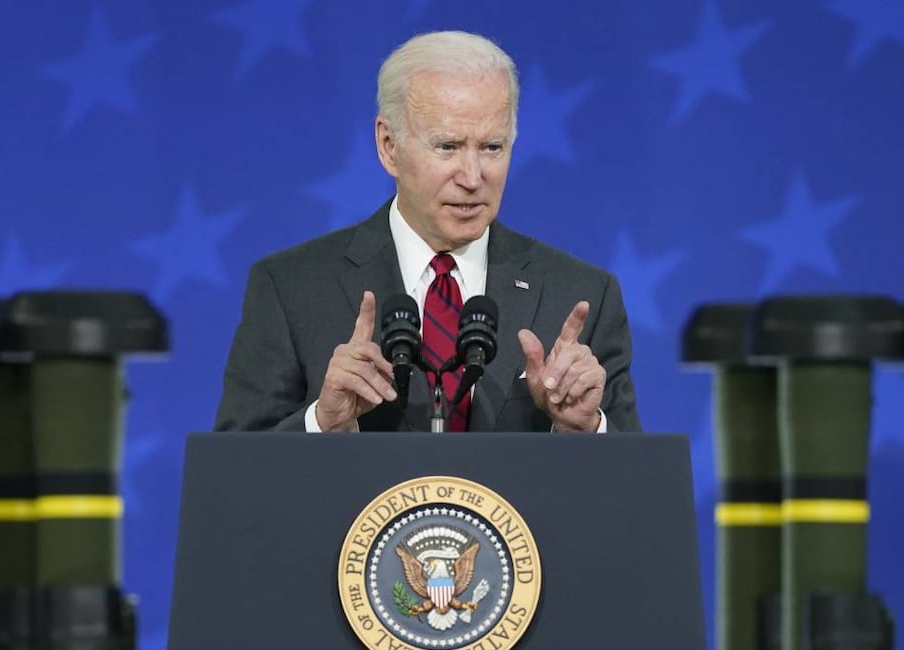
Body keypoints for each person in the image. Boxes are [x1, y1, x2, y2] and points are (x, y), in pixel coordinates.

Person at [214, 31, 640, 433]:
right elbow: (230, 479)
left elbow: (638, 489)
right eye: (448, 147)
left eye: (492, 147)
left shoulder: (582, 294)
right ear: (388, 146)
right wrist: (322, 422)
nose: (473, 177)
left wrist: (584, 428)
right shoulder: (292, 289)